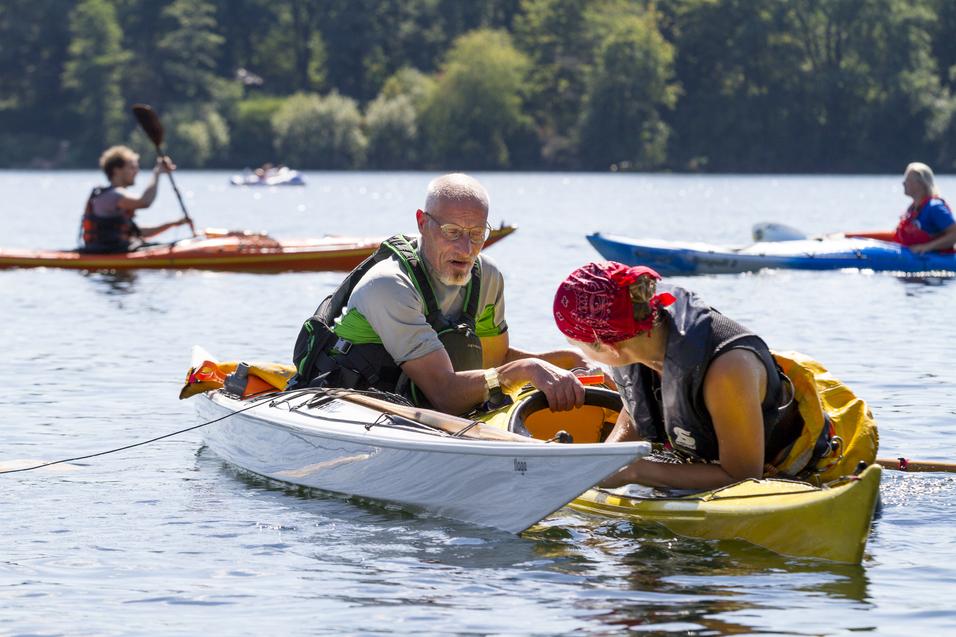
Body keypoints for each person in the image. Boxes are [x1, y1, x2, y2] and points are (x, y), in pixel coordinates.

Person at [552, 261, 876, 491]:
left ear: (608, 346)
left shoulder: (725, 372)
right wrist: (602, 463)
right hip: (711, 465)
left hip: (805, 473)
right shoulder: (638, 342)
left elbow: (744, 476)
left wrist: (636, 472)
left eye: (574, 343)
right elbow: (638, 411)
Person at [289, 173, 588, 416]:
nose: (466, 249)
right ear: (422, 223)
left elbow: (492, 361)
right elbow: (445, 394)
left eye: (476, 233)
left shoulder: (489, 277)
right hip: (343, 407)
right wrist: (528, 369)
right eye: (452, 232)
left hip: (414, 409)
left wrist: (569, 362)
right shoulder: (388, 286)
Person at [79, 145, 190, 253]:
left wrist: (172, 224)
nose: (137, 171)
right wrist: (157, 173)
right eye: (132, 167)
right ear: (117, 170)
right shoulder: (112, 196)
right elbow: (145, 202)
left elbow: (137, 232)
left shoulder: (115, 195)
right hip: (107, 251)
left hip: (118, 249)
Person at [847, 162, 956, 254]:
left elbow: (954, 234)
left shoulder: (935, 207)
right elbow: (896, 237)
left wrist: (927, 247)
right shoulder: (913, 209)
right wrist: (850, 236)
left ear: (920, 184)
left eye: (908, 180)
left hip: (938, 263)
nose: (903, 183)